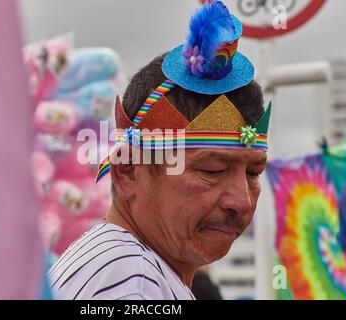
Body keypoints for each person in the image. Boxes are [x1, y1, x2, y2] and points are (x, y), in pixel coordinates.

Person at [49, 0, 271, 300]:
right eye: (212, 171)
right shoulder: (132, 281)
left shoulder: (125, 267)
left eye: (253, 172)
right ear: (128, 171)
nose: (242, 202)